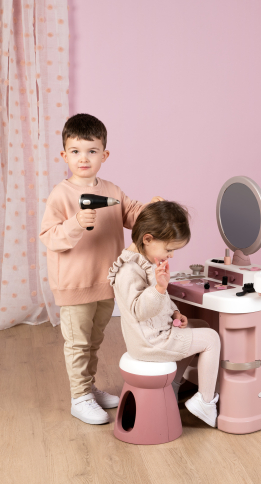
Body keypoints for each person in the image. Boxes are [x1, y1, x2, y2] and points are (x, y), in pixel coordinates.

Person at [39, 113, 163, 425]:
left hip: (107, 283)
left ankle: (89, 389)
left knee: (94, 341)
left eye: (92, 151)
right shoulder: (60, 194)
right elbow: (49, 237)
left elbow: (133, 214)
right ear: (64, 155)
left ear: (104, 155)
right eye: (76, 151)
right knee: (78, 343)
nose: (84, 158)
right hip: (74, 285)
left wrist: (151, 210)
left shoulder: (112, 191)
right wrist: (75, 223)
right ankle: (79, 397)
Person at [108, 201, 221, 428]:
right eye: (169, 249)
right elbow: (140, 310)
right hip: (150, 342)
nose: (171, 255)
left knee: (200, 325)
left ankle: (173, 386)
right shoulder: (128, 270)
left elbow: (160, 300)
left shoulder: (145, 260)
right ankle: (205, 402)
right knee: (211, 339)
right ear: (147, 239)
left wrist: (174, 313)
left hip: (156, 333)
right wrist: (160, 287)